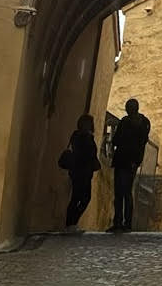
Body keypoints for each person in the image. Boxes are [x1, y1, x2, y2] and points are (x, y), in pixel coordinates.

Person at [108, 95, 150, 233]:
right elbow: (142, 143)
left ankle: (120, 222)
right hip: (130, 162)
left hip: (123, 160)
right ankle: (125, 223)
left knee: (121, 192)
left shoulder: (126, 122)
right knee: (125, 192)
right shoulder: (144, 123)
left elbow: (116, 140)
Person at [58, 113, 101, 230]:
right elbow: (87, 154)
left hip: (79, 172)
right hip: (82, 172)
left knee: (78, 197)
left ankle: (71, 223)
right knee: (82, 198)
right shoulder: (83, 137)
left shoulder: (77, 136)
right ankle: (71, 223)